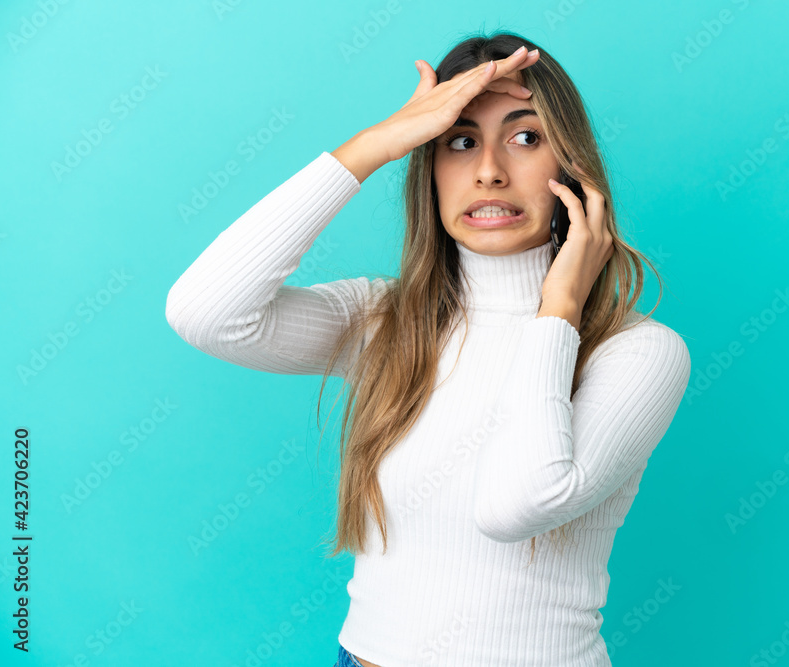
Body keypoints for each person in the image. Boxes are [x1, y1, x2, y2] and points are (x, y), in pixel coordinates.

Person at [165, 30, 691, 667]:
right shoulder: (385, 319)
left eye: (526, 137)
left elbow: (515, 505)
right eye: (459, 142)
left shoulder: (637, 352)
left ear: (573, 168)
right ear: (429, 166)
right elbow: (206, 312)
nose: (490, 169)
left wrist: (558, 311)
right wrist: (375, 145)